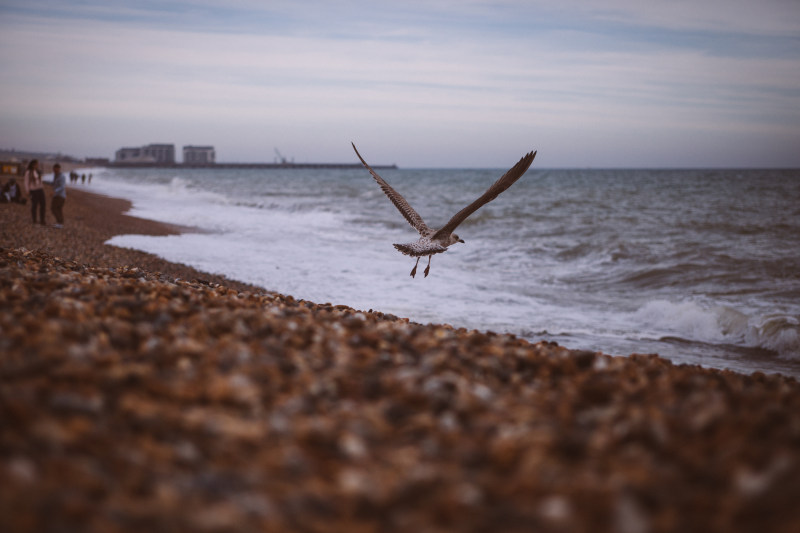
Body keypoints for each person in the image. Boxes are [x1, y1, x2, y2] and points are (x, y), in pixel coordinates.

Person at [24, 159, 45, 224]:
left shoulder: (38, 171)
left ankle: (42, 220)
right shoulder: (28, 172)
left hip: (40, 189)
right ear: (33, 165)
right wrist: (27, 191)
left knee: (43, 204)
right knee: (34, 205)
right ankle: (34, 220)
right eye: (36, 164)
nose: (37, 165)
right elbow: (26, 182)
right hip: (33, 190)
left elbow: (40, 180)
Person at [51, 163, 66, 228]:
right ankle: (60, 223)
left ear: (59, 169)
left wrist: (55, 191)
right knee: (58, 209)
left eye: (56, 169)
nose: (54, 170)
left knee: (54, 208)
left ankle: (60, 223)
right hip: (58, 195)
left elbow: (62, 187)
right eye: (54, 169)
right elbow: (54, 184)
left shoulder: (62, 176)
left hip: (60, 196)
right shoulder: (55, 175)